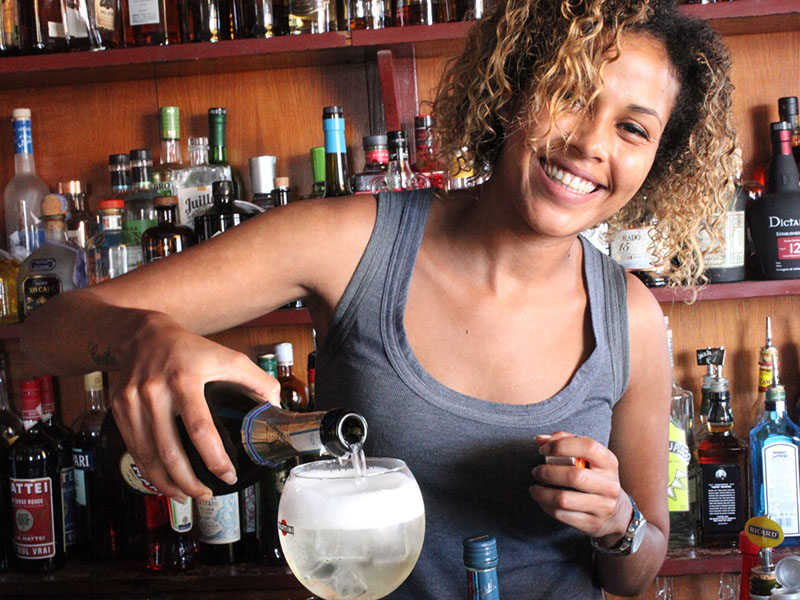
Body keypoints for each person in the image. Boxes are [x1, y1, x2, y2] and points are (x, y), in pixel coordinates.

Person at [21, 0, 737, 597]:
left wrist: (617, 519)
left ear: (657, 160)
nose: (589, 142)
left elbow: (635, 572)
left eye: (632, 128)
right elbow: (39, 334)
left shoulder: (630, 317)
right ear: (515, 88)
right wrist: (142, 336)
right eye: (570, 94)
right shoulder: (353, 243)